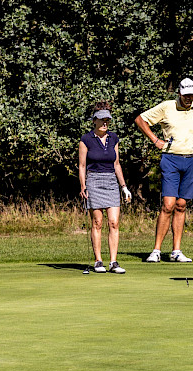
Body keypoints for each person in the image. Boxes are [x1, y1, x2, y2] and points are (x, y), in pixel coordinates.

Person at [135, 78, 193, 263]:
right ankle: (156, 250)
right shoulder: (167, 107)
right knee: (168, 205)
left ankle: (176, 251)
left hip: (192, 161)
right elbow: (141, 120)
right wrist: (155, 140)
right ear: (179, 93)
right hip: (171, 159)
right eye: (186, 95)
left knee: (181, 205)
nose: (189, 98)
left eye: (192, 95)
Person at [78, 102, 132, 274]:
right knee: (97, 222)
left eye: (107, 120)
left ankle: (114, 262)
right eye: (102, 120)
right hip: (93, 180)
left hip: (111, 182)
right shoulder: (86, 140)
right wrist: (83, 186)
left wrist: (124, 187)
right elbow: (82, 165)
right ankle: (98, 261)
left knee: (114, 222)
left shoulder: (113, 138)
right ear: (94, 120)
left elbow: (116, 164)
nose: (105, 123)